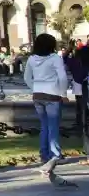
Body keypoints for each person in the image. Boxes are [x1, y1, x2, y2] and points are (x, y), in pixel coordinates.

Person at [24, 33, 69, 168]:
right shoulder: (55, 58)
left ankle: (44, 154)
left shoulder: (31, 59)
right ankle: (55, 155)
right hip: (52, 95)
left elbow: (27, 78)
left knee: (44, 125)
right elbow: (62, 77)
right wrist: (63, 93)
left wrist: (36, 88)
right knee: (53, 125)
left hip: (38, 95)